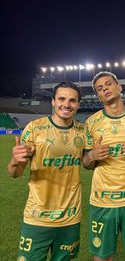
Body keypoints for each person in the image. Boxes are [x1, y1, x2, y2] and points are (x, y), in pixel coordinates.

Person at [7, 82, 84, 261]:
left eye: (72, 100)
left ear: (78, 105)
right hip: (37, 217)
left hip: (70, 218)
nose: (66, 104)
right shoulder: (34, 128)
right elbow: (15, 173)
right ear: (53, 101)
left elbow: (88, 162)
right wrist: (14, 161)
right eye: (62, 99)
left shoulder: (83, 131)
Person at [83, 71, 125, 261]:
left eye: (108, 84)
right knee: (102, 256)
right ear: (98, 95)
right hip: (102, 200)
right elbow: (86, 164)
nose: (105, 89)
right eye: (100, 88)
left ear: (119, 86)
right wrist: (92, 156)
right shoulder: (91, 123)